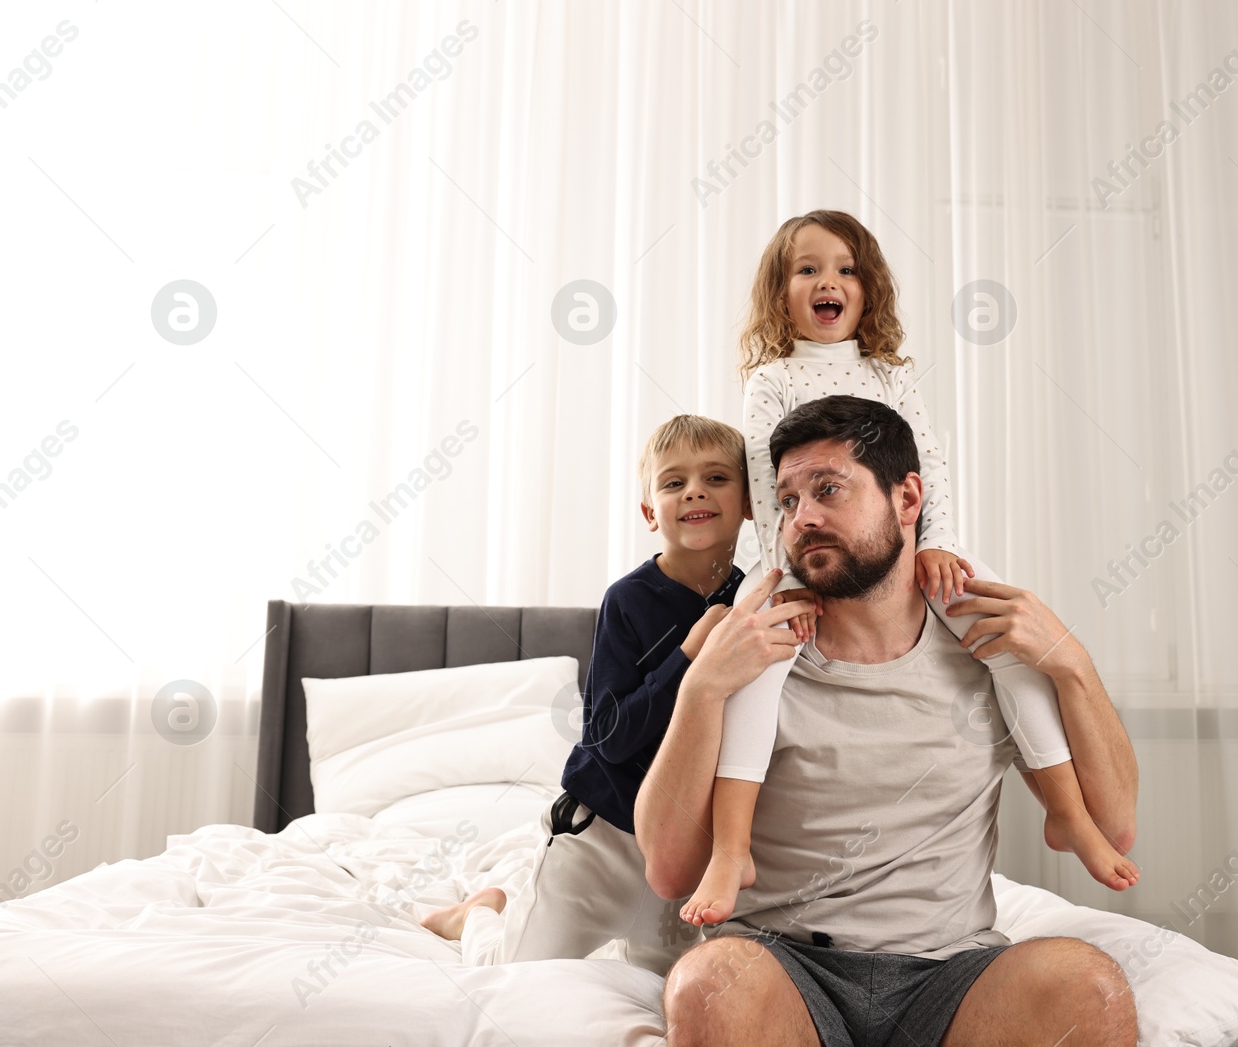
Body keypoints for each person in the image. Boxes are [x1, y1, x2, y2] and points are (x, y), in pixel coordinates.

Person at [679, 210, 1137, 930]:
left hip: (915, 548)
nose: (827, 281)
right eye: (807, 269)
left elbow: (929, 468)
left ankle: (1066, 811)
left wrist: (936, 544)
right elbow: (773, 491)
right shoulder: (771, 381)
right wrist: (787, 579)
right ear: (781, 293)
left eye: (845, 268)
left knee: (1011, 652)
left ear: (868, 290)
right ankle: (733, 847)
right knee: (755, 677)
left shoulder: (891, 376)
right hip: (792, 563)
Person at [637, 395, 1141, 1046]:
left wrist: (1071, 662)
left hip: (954, 972)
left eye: (828, 489)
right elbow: (671, 872)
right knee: (708, 982)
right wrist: (699, 689)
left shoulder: (981, 643)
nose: (804, 517)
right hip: (785, 963)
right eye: (788, 500)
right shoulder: (755, 651)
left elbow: (1114, 827)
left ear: (908, 500)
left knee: (1088, 987)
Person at [418, 415, 814, 975]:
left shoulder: (755, 596)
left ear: (752, 502)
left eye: (716, 477)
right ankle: (481, 913)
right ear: (651, 512)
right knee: (512, 973)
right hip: (597, 836)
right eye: (673, 483)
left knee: (665, 989)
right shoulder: (627, 601)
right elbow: (606, 735)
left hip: (681, 846)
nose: (695, 490)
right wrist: (688, 659)